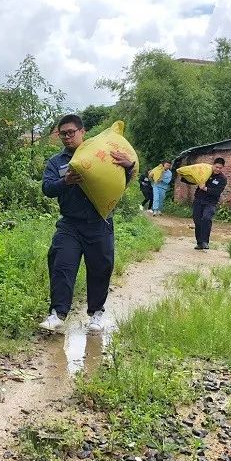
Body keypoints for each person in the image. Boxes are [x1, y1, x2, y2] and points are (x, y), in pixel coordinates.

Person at [39, 114, 135, 333]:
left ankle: (96, 314)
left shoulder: (103, 155)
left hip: (100, 223)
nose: (67, 137)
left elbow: (120, 181)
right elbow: (47, 188)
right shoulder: (57, 162)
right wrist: (65, 181)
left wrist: (129, 167)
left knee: (101, 269)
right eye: (62, 134)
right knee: (61, 266)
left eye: (71, 132)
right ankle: (57, 313)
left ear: (83, 132)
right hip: (70, 225)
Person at [193, 157, 227, 250]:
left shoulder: (222, 179)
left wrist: (205, 188)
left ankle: (205, 242)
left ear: (222, 167)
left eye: (220, 168)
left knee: (206, 218)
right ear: (213, 165)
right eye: (216, 167)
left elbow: (217, 192)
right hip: (198, 200)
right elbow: (193, 179)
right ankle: (199, 243)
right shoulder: (206, 173)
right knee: (197, 221)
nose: (218, 169)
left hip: (211, 202)